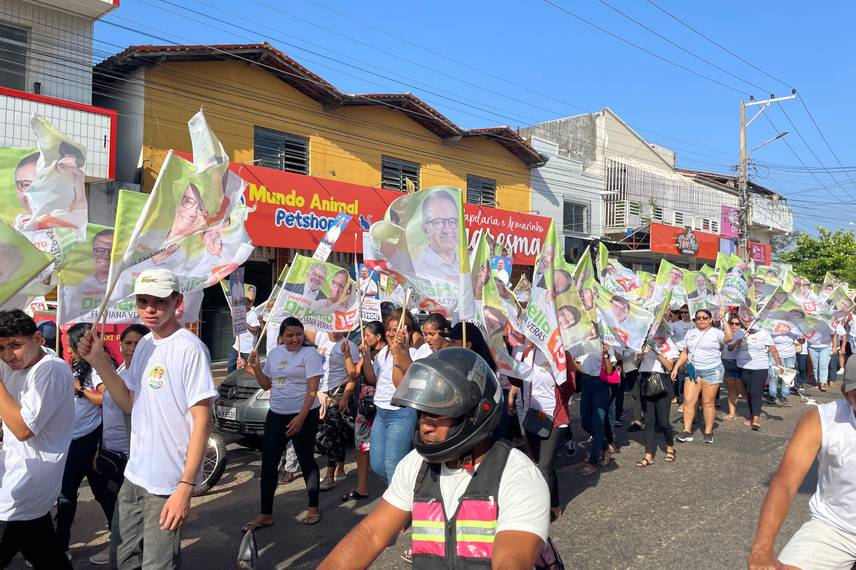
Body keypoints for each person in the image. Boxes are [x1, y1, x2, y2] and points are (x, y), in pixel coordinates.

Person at [318, 348, 550, 569]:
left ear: (476, 412)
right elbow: (372, 534)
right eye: (422, 413)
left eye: (438, 414)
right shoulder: (415, 464)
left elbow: (512, 558)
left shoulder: (517, 475)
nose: (425, 426)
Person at [76, 268, 217, 569]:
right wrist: (98, 361)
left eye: (159, 301)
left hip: (167, 484)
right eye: (143, 301)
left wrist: (185, 487)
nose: (150, 309)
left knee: (158, 564)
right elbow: (128, 402)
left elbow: (202, 421)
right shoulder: (144, 345)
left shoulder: (190, 348)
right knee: (123, 558)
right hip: (134, 475)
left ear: (177, 301)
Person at [748, 360, 856, 569]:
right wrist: (762, 550)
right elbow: (786, 482)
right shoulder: (822, 420)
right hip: (835, 527)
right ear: (846, 395)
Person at [0, 310, 74, 569]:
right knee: (47, 556)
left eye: (15, 345)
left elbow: (23, 430)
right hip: (20, 480)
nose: (8, 355)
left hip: (23, 488)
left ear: (38, 338)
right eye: (1, 348)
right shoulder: (17, 363)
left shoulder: (50, 370)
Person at [244, 317, 324, 530]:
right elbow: (266, 385)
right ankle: (265, 514)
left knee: (306, 460)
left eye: (298, 334)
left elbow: (312, 391)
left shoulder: (310, 354)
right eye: (290, 335)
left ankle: (313, 507)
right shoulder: (274, 353)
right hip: (276, 414)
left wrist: (300, 418)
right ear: (281, 337)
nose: (295, 339)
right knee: (269, 463)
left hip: (305, 414)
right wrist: (256, 368)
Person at [88, 324, 149, 566]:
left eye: (138, 343)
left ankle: (132, 550)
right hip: (112, 451)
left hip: (134, 456)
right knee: (116, 506)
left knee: (130, 512)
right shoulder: (119, 371)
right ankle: (121, 545)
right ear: (120, 345)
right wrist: (99, 447)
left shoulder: (148, 376)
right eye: (128, 343)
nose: (132, 348)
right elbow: (106, 413)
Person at [55, 323, 114, 560]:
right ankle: (60, 546)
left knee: (78, 493)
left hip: (89, 439)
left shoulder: (98, 368)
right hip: (72, 438)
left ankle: (119, 539)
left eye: (70, 345)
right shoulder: (77, 365)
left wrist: (79, 389)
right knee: (74, 493)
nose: (67, 350)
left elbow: (106, 398)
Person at [512, 344, 573, 521]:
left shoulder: (561, 354)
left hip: (555, 418)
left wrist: (559, 370)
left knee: (545, 466)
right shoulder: (525, 352)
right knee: (542, 464)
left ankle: (546, 509)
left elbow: (570, 387)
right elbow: (518, 381)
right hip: (532, 416)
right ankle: (552, 500)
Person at [362, 309, 423, 483]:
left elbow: (400, 386)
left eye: (396, 330)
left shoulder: (414, 354)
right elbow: (372, 379)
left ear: (406, 332)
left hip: (401, 414)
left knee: (392, 466)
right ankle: (402, 492)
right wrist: (366, 356)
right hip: (381, 413)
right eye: (388, 330)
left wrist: (398, 353)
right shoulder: (383, 353)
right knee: (377, 465)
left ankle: (397, 498)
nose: (390, 334)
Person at [672, 309, 733, 444]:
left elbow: (729, 338)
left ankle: (708, 431)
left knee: (707, 402)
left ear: (710, 319)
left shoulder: (716, 332)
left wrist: (723, 319)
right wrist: (676, 368)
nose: (701, 320)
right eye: (698, 318)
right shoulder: (691, 333)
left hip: (712, 370)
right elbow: (685, 352)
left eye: (705, 317)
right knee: (688, 401)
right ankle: (687, 431)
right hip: (693, 370)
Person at [341, 320, 386, 503]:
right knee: (362, 445)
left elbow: (371, 378)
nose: (364, 338)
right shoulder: (367, 352)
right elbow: (354, 374)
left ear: (378, 336)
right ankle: (362, 487)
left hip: (381, 405)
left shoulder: (386, 353)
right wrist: (346, 355)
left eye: (368, 335)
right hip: (365, 407)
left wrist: (367, 356)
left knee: (383, 448)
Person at [311, 331, 359, 492]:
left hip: (336, 393)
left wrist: (345, 397)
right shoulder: (322, 338)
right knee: (337, 434)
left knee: (332, 435)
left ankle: (330, 476)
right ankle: (340, 468)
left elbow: (353, 376)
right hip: (320, 393)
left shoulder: (350, 345)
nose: (332, 330)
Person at [575, 343, 617, 476]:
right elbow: (580, 368)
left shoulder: (606, 344)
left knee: (598, 424)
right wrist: (570, 358)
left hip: (601, 384)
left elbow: (609, 371)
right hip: (586, 383)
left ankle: (593, 462)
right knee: (585, 422)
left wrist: (606, 354)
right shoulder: (582, 343)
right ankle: (605, 446)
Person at [732, 324, 783, 432]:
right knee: (748, 393)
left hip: (760, 367)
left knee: (756, 393)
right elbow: (730, 348)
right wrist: (736, 343)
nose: (748, 323)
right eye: (746, 322)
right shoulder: (739, 333)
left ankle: (756, 418)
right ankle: (752, 415)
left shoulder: (764, 333)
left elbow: (773, 350)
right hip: (742, 367)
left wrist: (779, 365)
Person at [636, 342, 678, 467]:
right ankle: (648, 455)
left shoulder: (668, 342)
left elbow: (669, 367)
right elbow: (636, 365)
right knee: (648, 421)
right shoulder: (642, 342)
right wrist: (639, 357)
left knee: (663, 422)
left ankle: (670, 448)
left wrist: (657, 352)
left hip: (662, 381)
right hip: (645, 380)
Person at [412, 190, 460, 279]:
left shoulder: (468, 266)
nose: (447, 229)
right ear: (426, 230)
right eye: (438, 222)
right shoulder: (415, 269)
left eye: (452, 221)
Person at [721, 315, 745, 420]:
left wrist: (738, 343)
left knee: (742, 390)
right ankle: (732, 413)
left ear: (741, 325)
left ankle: (753, 413)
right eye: (732, 323)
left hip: (740, 363)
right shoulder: (724, 332)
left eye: (737, 324)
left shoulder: (744, 333)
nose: (734, 326)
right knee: (731, 389)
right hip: (726, 362)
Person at [228, 297, 260, 373]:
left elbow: (255, 331)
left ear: (249, 305)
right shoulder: (239, 313)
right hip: (237, 346)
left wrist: (243, 321)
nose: (241, 306)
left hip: (248, 349)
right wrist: (234, 317)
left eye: (243, 304)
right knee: (231, 366)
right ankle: (231, 380)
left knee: (248, 371)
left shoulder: (253, 314)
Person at [769, 331, 798, 406]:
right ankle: (772, 395)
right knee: (773, 375)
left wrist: (802, 339)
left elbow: (800, 341)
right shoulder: (774, 329)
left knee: (787, 376)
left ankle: (784, 395)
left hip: (789, 355)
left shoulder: (793, 329)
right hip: (774, 354)